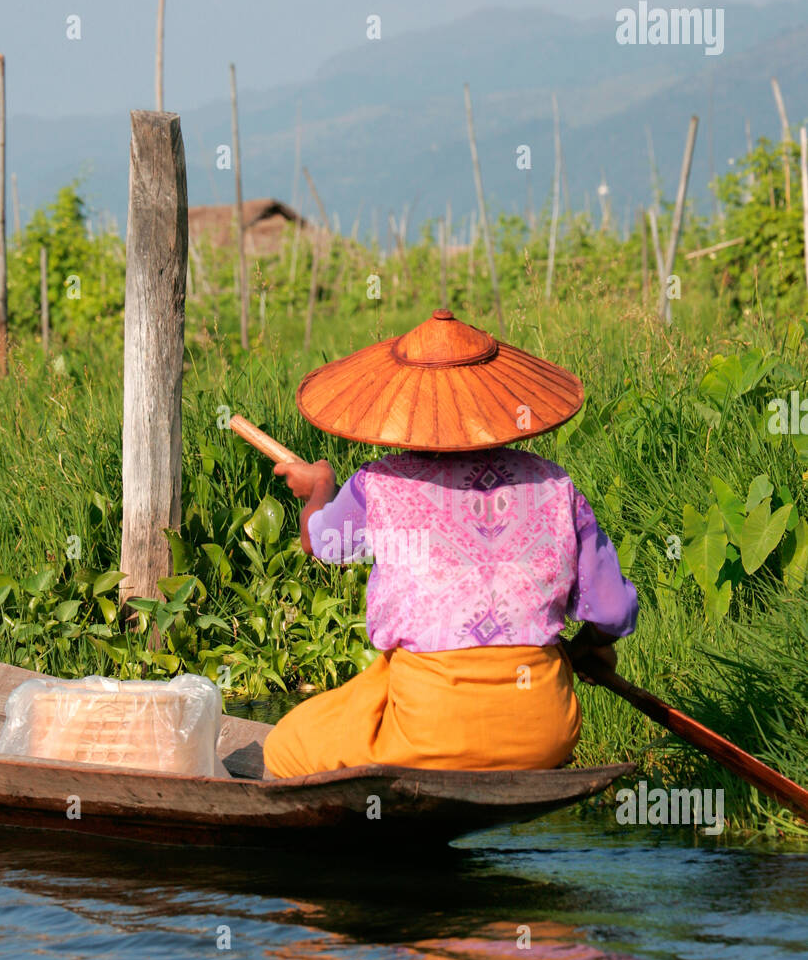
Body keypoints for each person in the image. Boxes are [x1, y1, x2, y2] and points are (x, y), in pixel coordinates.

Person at [262, 309, 637, 778]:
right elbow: (614, 611)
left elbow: (321, 544)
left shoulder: (378, 483)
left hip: (429, 729)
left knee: (284, 745)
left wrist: (318, 487)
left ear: (409, 410)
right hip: (544, 731)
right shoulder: (554, 483)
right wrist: (583, 649)